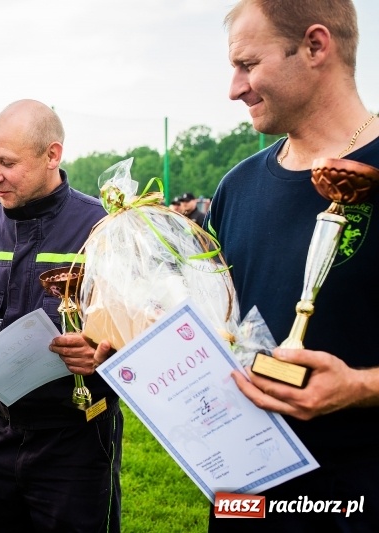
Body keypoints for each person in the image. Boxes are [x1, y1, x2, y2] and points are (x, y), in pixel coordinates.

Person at [207, 1, 379, 530]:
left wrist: (362, 386)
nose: (235, 88)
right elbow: (221, 326)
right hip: (243, 496)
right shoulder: (236, 187)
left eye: (247, 64)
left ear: (315, 46)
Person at [0, 100, 122, 532]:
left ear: (52, 155)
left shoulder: (103, 230)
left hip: (76, 439)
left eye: (7, 163)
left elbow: (141, 333)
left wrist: (104, 355)